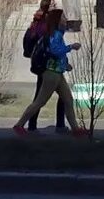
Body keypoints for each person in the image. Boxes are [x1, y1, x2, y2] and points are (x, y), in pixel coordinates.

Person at [12, 8, 86, 136]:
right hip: (51, 74)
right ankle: (19, 125)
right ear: (57, 20)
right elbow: (55, 50)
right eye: (63, 17)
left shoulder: (57, 34)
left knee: (68, 100)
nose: (65, 19)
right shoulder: (55, 34)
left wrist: (65, 64)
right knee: (40, 101)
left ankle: (76, 129)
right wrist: (71, 47)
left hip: (58, 72)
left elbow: (57, 54)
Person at [21, 0, 65, 133]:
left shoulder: (37, 20)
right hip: (48, 65)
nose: (55, 5)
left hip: (45, 64)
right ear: (47, 6)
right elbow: (50, 43)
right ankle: (27, 125)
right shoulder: (46, 22)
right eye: (53, 4)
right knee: (41, 98)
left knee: (63, 96)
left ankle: (55, 124)